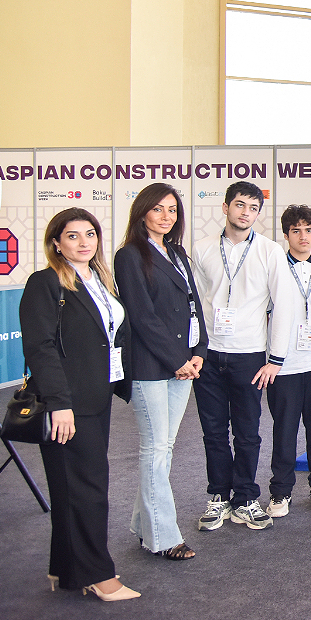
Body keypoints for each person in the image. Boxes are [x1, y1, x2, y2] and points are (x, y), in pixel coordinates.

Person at [20, 209, 139, 601]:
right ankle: (98, 575)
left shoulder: (99, 279)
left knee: (73, 485)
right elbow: (40, 347)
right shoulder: (45, 282)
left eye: (90, 234)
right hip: (68, 402)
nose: (84, 242)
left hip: (96, 396)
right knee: (87, 488)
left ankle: (66, 568)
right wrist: (59, 403)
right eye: (72, 236)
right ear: (56, 242)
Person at [114, 182, 206, 562]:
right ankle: (164, 536)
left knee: (164, 448)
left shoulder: (177, 252)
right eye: (158, 209)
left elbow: (194, 304)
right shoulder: (129, 256)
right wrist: (177, 360)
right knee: (154, 449)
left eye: (172, 210)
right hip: (151, 365)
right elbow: (142, 316)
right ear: (142, 213)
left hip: (184, 362)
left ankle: (143, 524)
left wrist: (199, 352)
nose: (166, 216)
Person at [190, 181, 285, 531]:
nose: (246, 213)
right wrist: (194, 350)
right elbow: (195, 302)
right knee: (213, 431)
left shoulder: (270, 251)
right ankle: (218, 496)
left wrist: (275, 359)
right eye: (240, 205)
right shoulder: (202, 248)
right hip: (208, 354)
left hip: (249, 355)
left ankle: (245, 498)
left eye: (253, 208)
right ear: (226, 207)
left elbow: (283, 306)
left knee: (247, 433)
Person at [260, 205, 311, 517]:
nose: (303, 236)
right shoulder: (275, 268)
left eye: (308, 230)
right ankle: (280, 492)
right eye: (296, 231)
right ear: (286, 234)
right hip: (283, 365)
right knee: (284, 431)